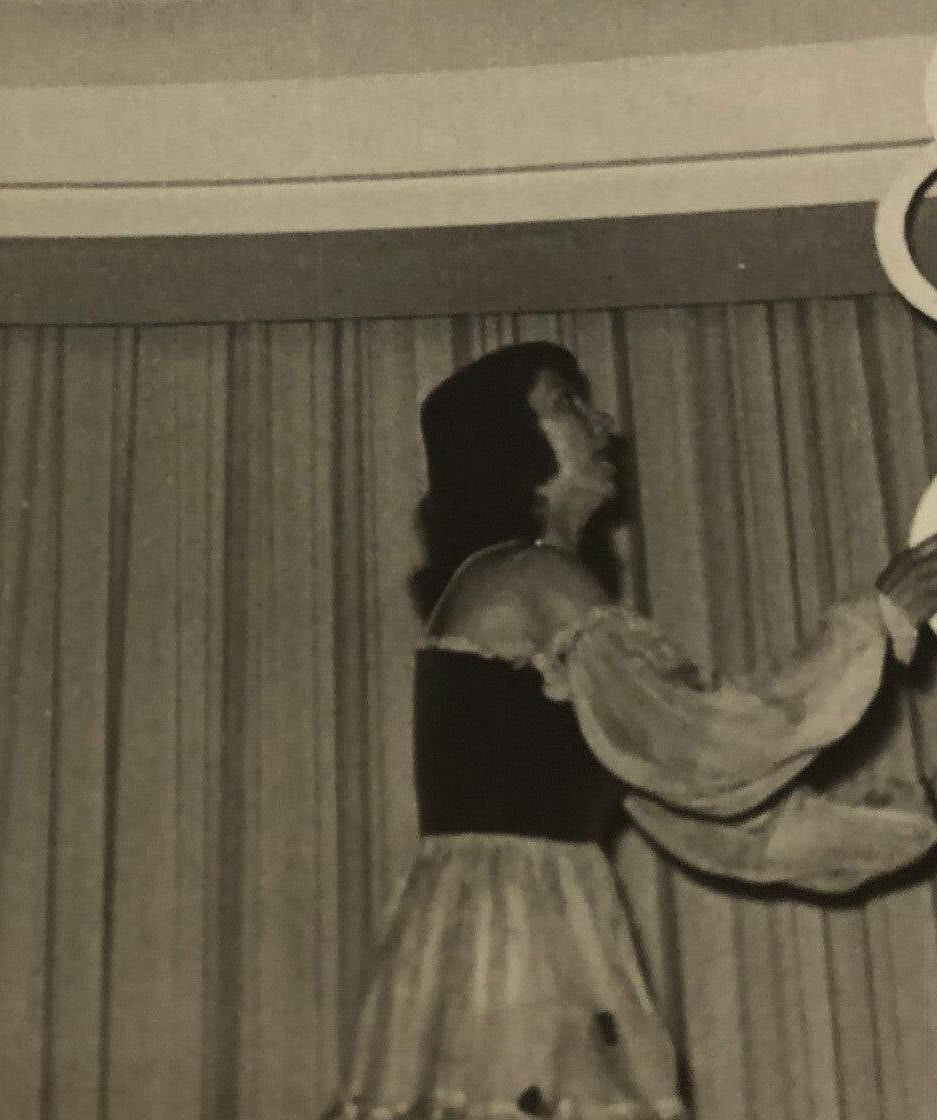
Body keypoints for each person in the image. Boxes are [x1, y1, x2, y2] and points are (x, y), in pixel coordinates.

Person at [330, 341, 937, 1120]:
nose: (605, 422)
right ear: (508, 441)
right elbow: (705, 743)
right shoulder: (533, 580)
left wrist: (911, 819)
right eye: (567, 403)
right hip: (514, 942)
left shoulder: (533, 592)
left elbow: (723, 826)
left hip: (517, 930)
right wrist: (873, 623)